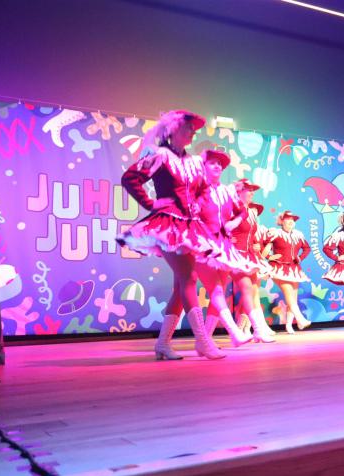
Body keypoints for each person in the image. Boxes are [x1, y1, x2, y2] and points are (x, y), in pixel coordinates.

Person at [118, 110, 225, 360]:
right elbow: (130, 178)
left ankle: (163, 344)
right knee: (189, 278)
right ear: (174, 130)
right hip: (168, 225)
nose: (193, 133)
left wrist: (198, 203)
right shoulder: (160, 155)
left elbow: (203, 189)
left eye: (194, 129)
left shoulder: (194, 162)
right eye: (188, 128)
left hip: (189, 226)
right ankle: (202, 341)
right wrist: (150, 203)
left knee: (181, 285)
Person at [196, 149, 257, 347]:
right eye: (212, 162)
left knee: (218, 291)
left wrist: (233, 223)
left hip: (223, 247)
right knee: (209, 291)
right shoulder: (197, 189)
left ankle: (205, 340)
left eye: (220, 164)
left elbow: (242, 212)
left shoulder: (226, 191)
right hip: (202, 245)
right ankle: (233, 333)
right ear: (203, 166)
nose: (217, 166)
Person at [231, 179, 276, 343]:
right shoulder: (232, 209)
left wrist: (255, 245)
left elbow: (250, 233)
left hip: (250, 255)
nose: (252, 193)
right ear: (239, 192)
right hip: (236, 255)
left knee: (252, 291)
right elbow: (221, 227)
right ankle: (251, 329)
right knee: (245, 290)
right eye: (248, 190)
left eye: (253, 190)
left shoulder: (250, 212)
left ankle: (252, 329)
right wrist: (228, 240)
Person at [262, 210, 313, 334]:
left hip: (294, 269)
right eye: (287, 219)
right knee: (289, 294)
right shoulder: (275, 233)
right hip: (278, 268)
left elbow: (307, 248)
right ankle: (300, 319)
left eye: (292, 220)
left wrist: (300, 258)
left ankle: (289, 325)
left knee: (293, 298)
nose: (290, 221)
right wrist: (269, 256)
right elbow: (262, 245)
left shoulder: (298, 235)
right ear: (281, 221)